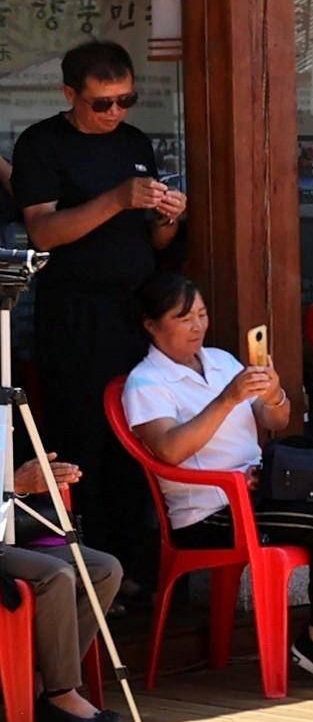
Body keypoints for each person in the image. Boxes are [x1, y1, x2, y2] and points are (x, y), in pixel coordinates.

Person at [120, 273, 313, 692]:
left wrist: (273, 394)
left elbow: (275, 421)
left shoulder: (221, 360)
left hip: (260, 492)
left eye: (201, 315)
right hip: (209, 511)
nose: (197, 327)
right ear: (151, 324)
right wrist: (227, 399)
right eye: (183, 318)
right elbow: (168, 450)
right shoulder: (145, 383)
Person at [14, 40, 186, 580]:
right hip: (74, 312)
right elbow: (42, 229)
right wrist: (116, 198)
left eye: (125, 100)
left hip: (134, 309)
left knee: (139, 437)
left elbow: (159, 242)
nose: (116, 113)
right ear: (70, 95)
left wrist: (167, 215)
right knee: (82, 439)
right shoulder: (42, 143)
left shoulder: (134, 141)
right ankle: (86, 568)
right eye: (102, 103)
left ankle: (138, 569)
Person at [3, 450, 124, 722]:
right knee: (55, 574)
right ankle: (61, 694)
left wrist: (32, 482)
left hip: (11, 536)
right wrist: (16, 485)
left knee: (103, 569)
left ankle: (40, 681)